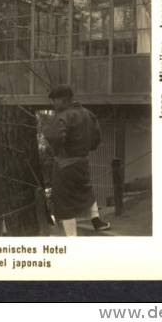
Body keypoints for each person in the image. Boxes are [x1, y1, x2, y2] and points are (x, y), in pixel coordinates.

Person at [42, 85, 111, 236]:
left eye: (55, 100)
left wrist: (58, 150)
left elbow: (54, 137)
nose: (53, 104)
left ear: (63, 99)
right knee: (86, 190)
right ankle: (97, 222)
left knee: (64, 201)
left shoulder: (63, 116)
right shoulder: (88, 114)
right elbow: (96, 139)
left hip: (64, 164)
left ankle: (71, 238)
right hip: (83, 161)